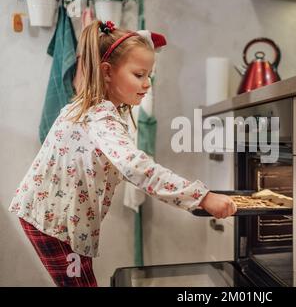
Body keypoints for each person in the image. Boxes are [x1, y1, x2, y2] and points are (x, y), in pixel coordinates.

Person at [8, 20, 237, 287]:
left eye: (149, 75)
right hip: (54, 223)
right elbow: (136, 168)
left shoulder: (94, 109)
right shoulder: (99, 117)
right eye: (139, 75)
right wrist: (202, 197)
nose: (147, 83)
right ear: (107, 72)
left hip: (57, 219)